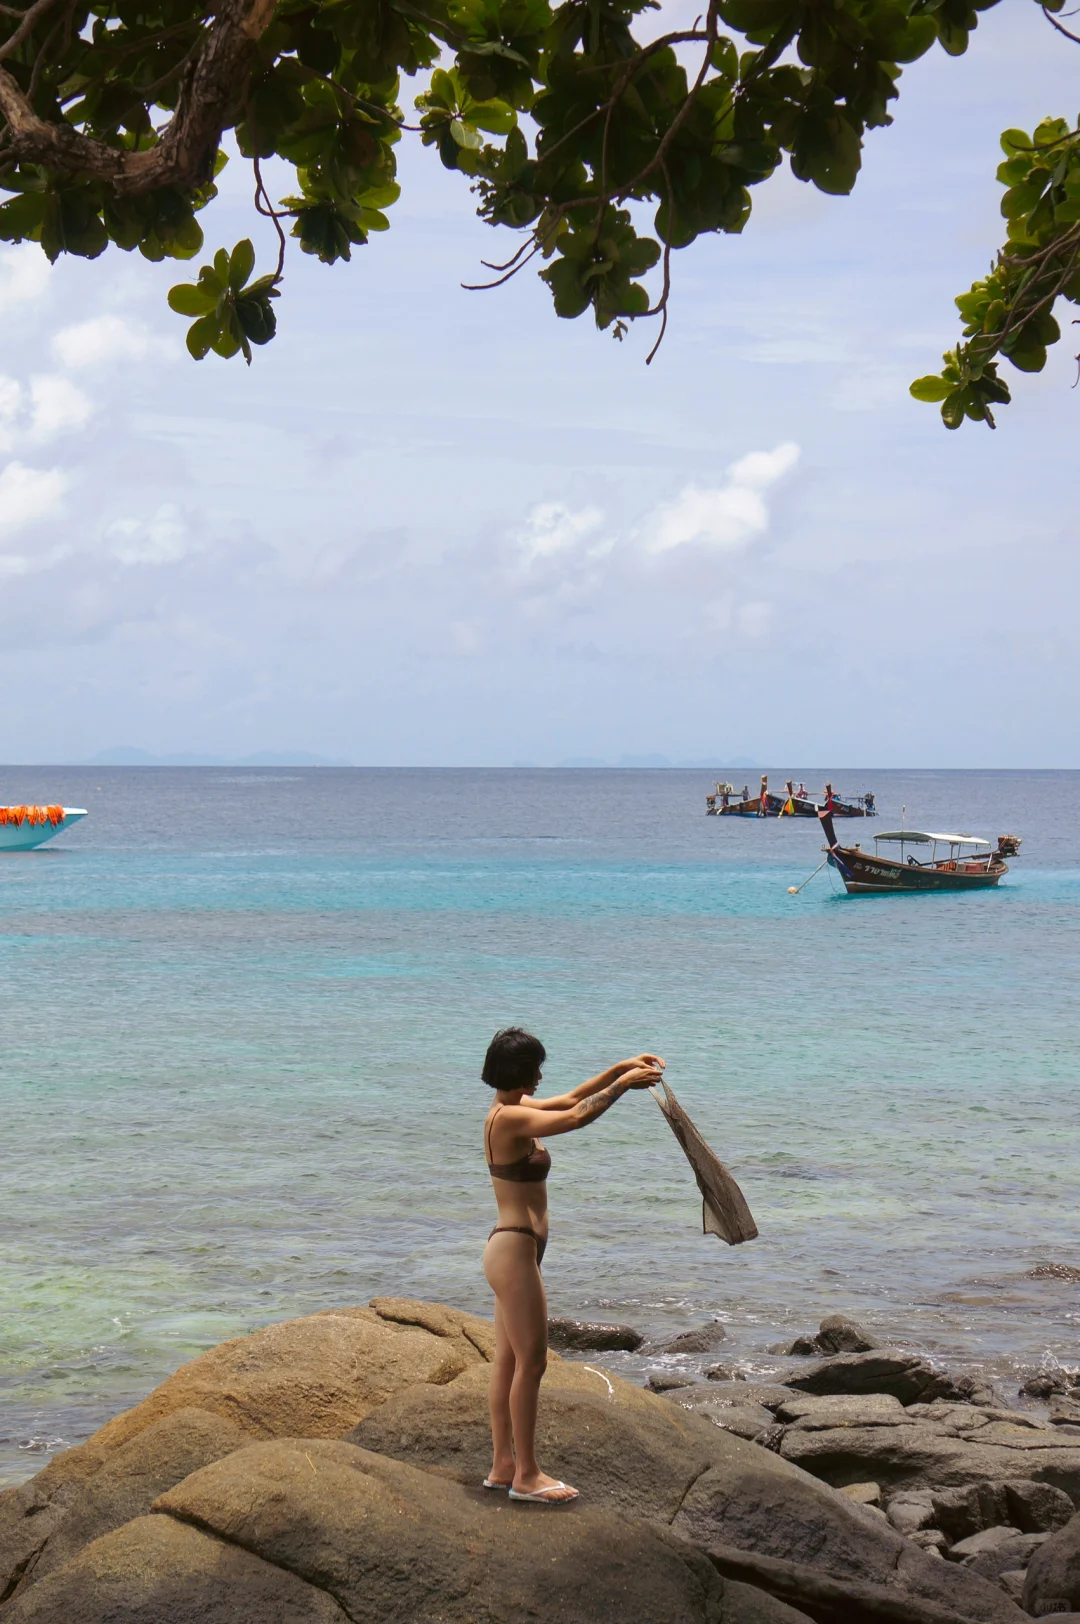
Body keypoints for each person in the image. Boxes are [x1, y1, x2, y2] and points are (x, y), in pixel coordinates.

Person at [480, 1027, 664, 1504]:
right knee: (533, 1363)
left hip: (514, 1250)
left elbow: (571, 1097)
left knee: (507, 1361)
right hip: (515, 1250)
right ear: (519, 1071)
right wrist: (623, 1088)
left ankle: (502, 1466)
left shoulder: (507, 1110)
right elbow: (578, 1116)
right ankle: (527, 1476)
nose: (541, 1076)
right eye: (536, 1068)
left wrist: (620, 1067)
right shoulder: (509, 1121)